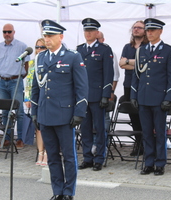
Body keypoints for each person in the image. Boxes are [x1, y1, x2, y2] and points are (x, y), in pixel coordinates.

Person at [31, 19, 88, 200]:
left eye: (50, 36)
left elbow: (82, 87)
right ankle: (57, 191)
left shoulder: (72, 56)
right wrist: (34, 112)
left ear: (60, 37)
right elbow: (35, 87)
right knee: (53, 156)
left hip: (65, 115)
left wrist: (79, 112)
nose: (46, 39)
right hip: (45, 114)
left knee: (69, 157)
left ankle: (69, 192)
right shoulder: (40, 57)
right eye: (45, 36)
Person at [130, 18, 171, 175]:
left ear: (160, 31)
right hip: (143, 98)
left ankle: (160, 163)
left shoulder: (168, 51)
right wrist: (133, 94)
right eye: (148, 30)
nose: (149, 33)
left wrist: (169, 98)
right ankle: (149, 162)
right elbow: (136, 75)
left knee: (159, 132)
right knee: (146, 133)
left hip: (159, 99)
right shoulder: (141, 50)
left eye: (152, 30)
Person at [77, 18, 114, 171]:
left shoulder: (104, 49)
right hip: (83, 96)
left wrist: (106, 94)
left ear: (97, 32)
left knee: (99, 129)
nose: (88, 33)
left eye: (91, 30)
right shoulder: (79, 50)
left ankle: (99, 158)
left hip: (97, 96)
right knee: (85, 129)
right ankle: (87, 157)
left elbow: (108, 73)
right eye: (86, 30)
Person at [0, 23, 30, 148]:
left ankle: (20, 139)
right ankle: (7, 138)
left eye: (9, 31)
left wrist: (16, 77)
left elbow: (26, 66)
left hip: (16, 81)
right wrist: (6, 74)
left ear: (14, 32)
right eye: (5, 32)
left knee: (19, 112)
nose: (7, 34)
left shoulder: (22, 46)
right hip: (2, 82)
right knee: (5, 112)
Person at [119, 20, 149, 156]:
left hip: (144, 86)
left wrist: (129, 62)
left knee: (144, 116)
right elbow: (121, 64)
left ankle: (147, 143)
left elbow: (148, 64)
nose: (136, 29)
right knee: (133, 117)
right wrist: (138, 64)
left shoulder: (148, 46)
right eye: (134, 27)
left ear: (145, 30)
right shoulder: (127, 47)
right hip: (129, 85)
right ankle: (138, 144)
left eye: (139, 28)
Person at [24, 38, 48, 166]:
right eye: (37, 47)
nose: (38, 50)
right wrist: (27, 98)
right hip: (35, 97)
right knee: (38, 128)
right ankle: (40, 152)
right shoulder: (33, 62)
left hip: (47, 97)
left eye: (42, 47)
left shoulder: (49, 61)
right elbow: (28, 81)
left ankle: (48, 152)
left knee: (48, 127)